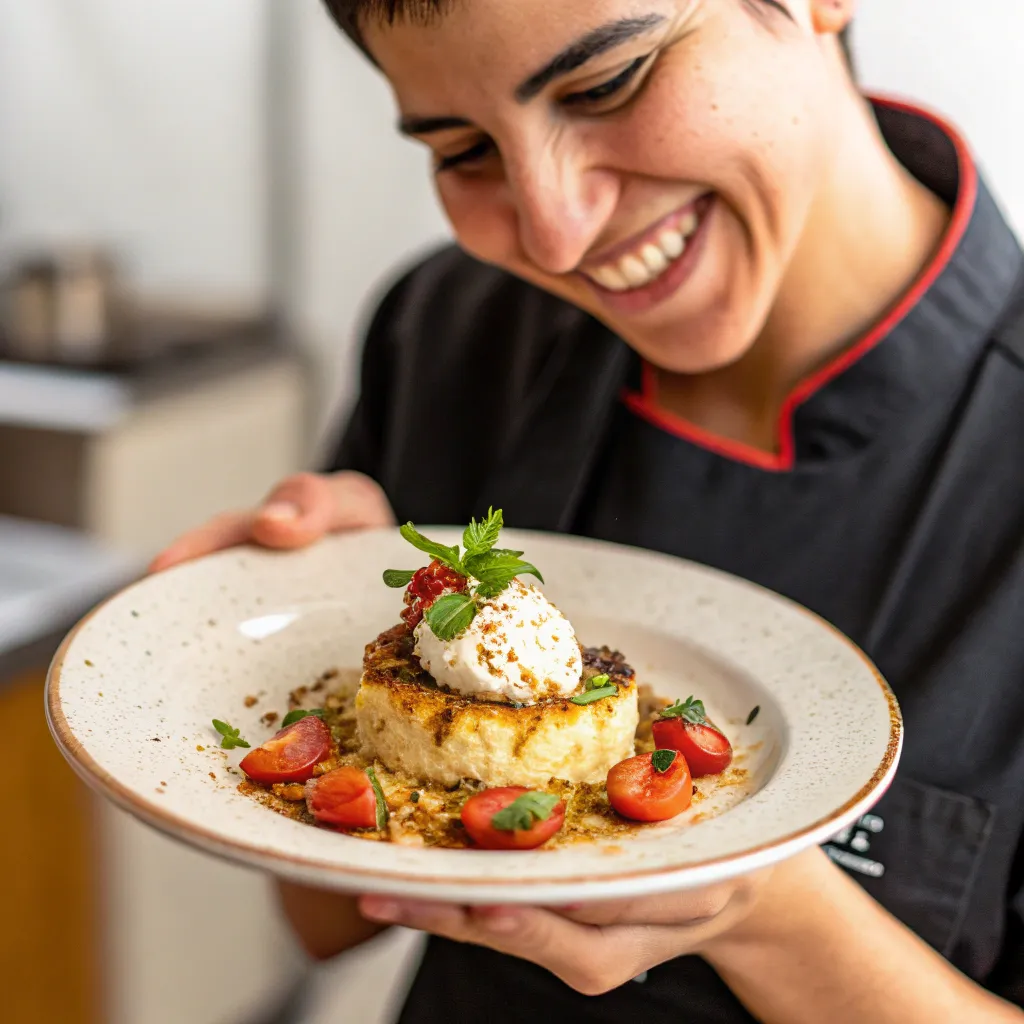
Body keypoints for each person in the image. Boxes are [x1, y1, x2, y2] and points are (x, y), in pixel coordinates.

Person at [151, 1, 1024, 1020]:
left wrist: (766, 912)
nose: (556, 231)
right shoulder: (452, 330)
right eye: (466, 148)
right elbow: (328, 922)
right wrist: (323, 638)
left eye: (608, 83)